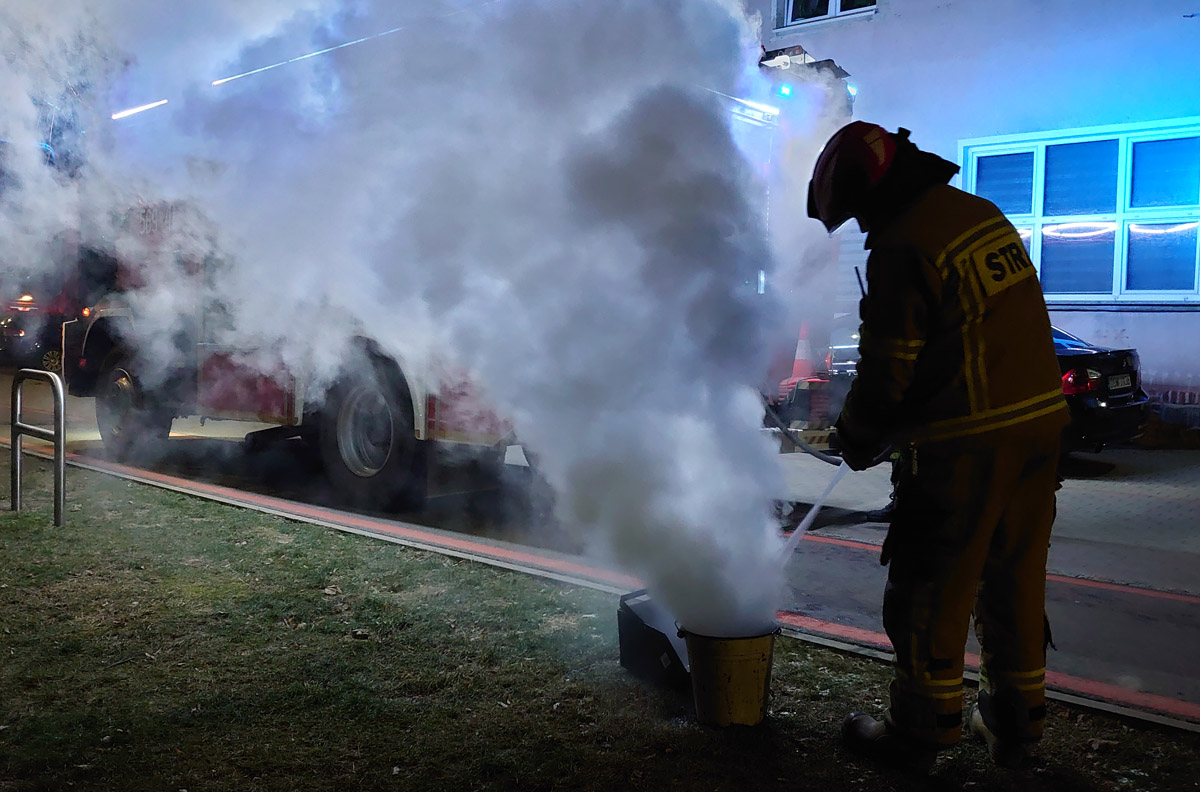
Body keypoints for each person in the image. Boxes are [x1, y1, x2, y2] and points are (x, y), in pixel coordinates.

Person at [808, 122, 1068, 772]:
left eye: (857, 211)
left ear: (873, 190)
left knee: (929, 587)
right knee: (1013, 581)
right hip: (1038, 431)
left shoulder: (903, 243)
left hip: (966, 444)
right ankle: (1015, 729)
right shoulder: (975, 212)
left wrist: (856, 437)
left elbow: (889, 367)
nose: (862, 226)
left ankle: (917, 736)